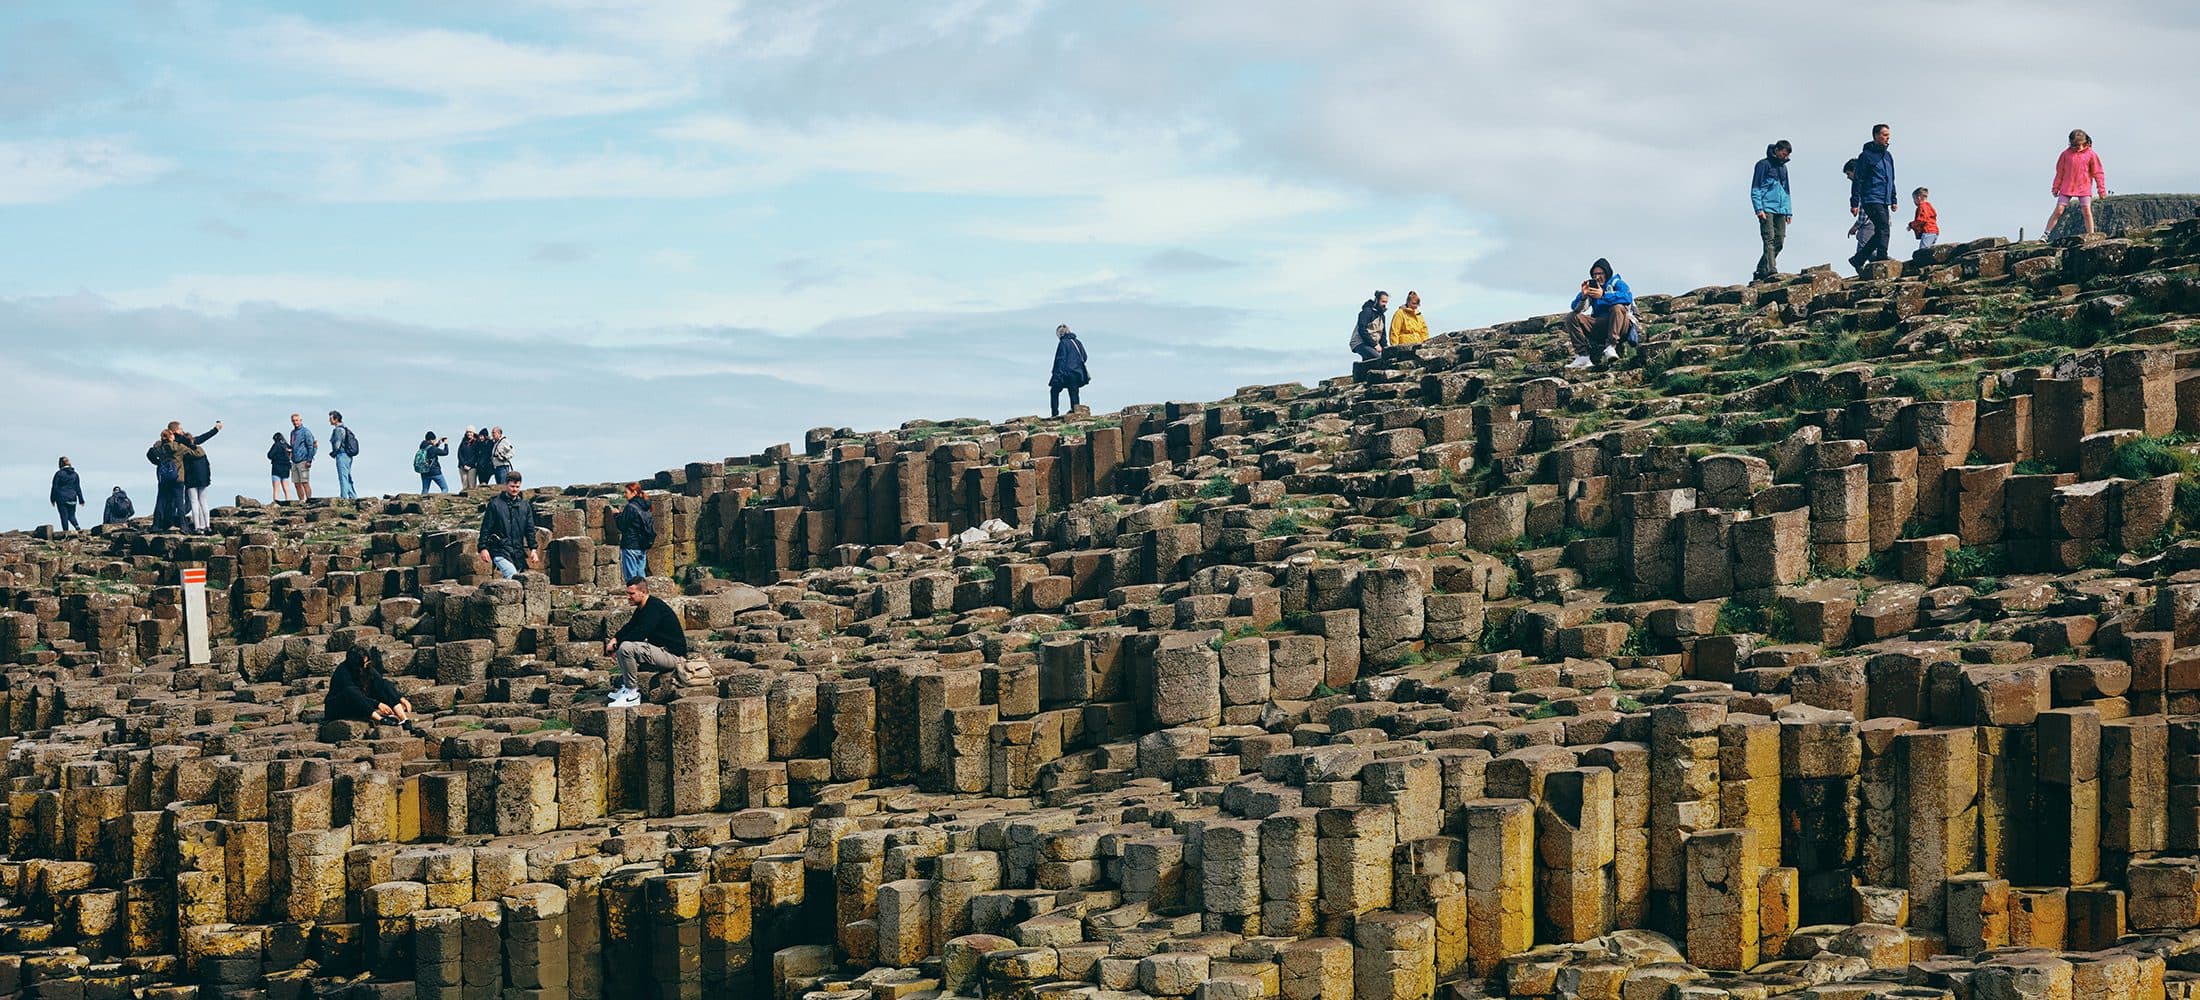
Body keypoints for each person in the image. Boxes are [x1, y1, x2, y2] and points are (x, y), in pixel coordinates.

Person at [604, 576, 688, 707]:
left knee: (626, 647)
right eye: (627, 593)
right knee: (623, 645)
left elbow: (640, 633)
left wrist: (616, 645)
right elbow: (630, 626)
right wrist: (615, 638)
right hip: (661, 652)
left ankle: (632, 694)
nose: (628, 597)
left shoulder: (654, 608)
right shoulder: (642, 607)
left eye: (632, 593)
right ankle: (627, 688)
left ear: (643, 592)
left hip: (674, 657)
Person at [324, 648, 418, 731]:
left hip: (362, 701)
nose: (366, 664)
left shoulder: (366, 667)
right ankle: (381, 720)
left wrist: (400, 698)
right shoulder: (342, 672)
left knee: (383, 683)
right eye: (364, 663)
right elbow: (354, 695)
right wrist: (378, 704)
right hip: (340, 706)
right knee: (351, 691)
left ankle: (404, 719)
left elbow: (380, 682)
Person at [1565, 258, 1634, 368]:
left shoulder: (1617, 283)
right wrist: (1583, 297)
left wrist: (1603, 295)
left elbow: (1627, 297)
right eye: (1594, 274)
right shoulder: (1592, 287)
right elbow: (1575, 307)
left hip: (1621, 325)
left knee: (1617, 308)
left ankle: (1611, 347)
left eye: (1600, 273)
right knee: (1571, 317)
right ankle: (1582, 356)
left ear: (1607, 273)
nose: (1597, 277)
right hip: (1600, 325)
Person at [1848, 124, 1897, 274]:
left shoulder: (1888, 156)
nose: (1887, 138)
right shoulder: (1866, 156)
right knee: (1884, 227)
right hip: (1870, 198)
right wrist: (1854, 202)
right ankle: (1881, 257)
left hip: (1884, 199)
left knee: (1881, 230)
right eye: (1884, 135)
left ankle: (1858, 259)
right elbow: (1858, 179)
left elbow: (1891, 179)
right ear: (1876, 136)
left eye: (1888, 135)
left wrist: (1894, 199)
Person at [477, 471, 541, 580]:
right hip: (499, 549)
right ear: (506, 485)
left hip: (518, 552)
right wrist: (483, 548)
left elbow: (529, 529)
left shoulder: (525, 506)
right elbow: (486, 528)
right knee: (512, 577)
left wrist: (533, 549)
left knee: (516, 581)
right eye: (512, 486)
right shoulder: (495, 504)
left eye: (517, 486)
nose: (515, 489)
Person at [2044, 128, 2108, 239]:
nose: (2079, 148)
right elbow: (2060, 172)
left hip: (2084, 187)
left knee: (2086, 211)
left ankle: (2091, 235)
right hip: (2067, 187)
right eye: (2075, 145)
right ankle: (2046, 234)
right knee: (2059, 210)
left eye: (2080, 145)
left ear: (2086, 142)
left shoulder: (2091, 154)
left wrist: (2101, 189)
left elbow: (2098, 173)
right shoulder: (2065, 155)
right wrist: (2056, 187)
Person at [1751, 140, 1794, 280]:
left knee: (1779, 241)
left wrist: (1788, 211)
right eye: (1783, 153)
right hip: (1766, 208)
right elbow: (1755, 188)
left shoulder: (1783, 168)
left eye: (1786, 155)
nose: (1784, 156)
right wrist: (1759, 209)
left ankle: (1760, 269)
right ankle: (1771, 270)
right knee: (1769, 239)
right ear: (1776, 150)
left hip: (1781, 210)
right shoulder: (1763, 165)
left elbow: (1786, 190)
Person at [177, 422, 222, 533]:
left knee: (194, 503)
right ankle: (207, 526)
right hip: (203, 479)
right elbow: (205, 437)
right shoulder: (200, 451)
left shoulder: (182, 450)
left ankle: (197, 527)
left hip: (190, 479)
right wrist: (216, 429)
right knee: (204, 502)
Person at [148, 428, 186, 532]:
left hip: (164, 478)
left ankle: (156, 525)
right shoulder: (179, 447)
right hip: (178, 478)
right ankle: (183, 526)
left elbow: (149, 453)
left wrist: (157, 462)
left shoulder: (158, 448)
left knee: (160, 501)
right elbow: (193, 451)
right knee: (180, 503)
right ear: (171, 437)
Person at [616, 483, 656, 582]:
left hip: (630, 546)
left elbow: (622, 525)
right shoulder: (645, 506)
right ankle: (642, 596)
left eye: (626, 492)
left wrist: (616, 515)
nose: (624, 495)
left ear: (634, 493)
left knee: (631, 579)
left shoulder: (630, 507)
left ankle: (634, 596)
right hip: (642, 546)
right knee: (641, 577)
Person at [1049, 324, 1091, 417]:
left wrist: (1056, 376)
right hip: (1077, 373)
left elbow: (1060, 360)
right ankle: (1076, 413)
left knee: (1054, 391)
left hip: (1066, 373)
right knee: (1074, 393)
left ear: (1060, 334)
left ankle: (1054, 414)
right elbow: (1084, 357)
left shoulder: (1063, 343)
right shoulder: (1078, 342)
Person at [1349, 291, 1389, 361]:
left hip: (1370, 344)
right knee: (1378, 359)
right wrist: (1375, 345)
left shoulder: (1382, 316)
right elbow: (1362, 330)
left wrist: (1387, 349)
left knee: (1384, 359)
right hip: (1360, 343)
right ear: (1377, 301)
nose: (1384, 304)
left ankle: (1362, 370)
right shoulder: (1367, 312)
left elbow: (1383, 335)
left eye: (1386, 302)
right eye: (1383, 302)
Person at [327, 411, 358, 501]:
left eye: (331, 419)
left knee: (343, 476)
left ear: (336, 419)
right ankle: (353, 496)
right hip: (348, 456)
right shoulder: (344, 428)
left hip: (342, 454)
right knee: (347, 476)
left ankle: (344, 497)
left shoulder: (338, 430)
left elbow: (337, 444)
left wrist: (333, 453)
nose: (329, 421)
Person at [289, 413, 318, 501]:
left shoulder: (306, 432)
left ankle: (309, 500)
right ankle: (301, 501)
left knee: (305, 482)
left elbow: (311, 446)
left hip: (303, 460)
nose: (295, 422)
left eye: (297, 420)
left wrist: (309, 460)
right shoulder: (292, 433)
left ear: (300, 420)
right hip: (294, 461)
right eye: (293, 421)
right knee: (296, 483)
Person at [50, 458, 85, 532]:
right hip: (72, 497)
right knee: (72, 515)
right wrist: (81, 500)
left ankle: (66, 532)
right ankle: (77, 527)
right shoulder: (75, 474)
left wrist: (52, 499)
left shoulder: (59, 474)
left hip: (61, 497)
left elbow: (55, 487)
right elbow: (78, 487)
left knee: (64, 516)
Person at [267, 432, 293, 502]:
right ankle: (288, 501)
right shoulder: (286, 446)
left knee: (276, 488)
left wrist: (275, 458)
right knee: (286, 487)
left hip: (276, 467)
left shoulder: (276, 445)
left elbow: (269, 455)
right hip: (286, 468)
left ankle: (276, 502)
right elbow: (292, 451)